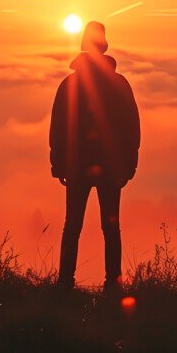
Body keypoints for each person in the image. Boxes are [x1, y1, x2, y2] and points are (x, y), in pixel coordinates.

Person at [50, 21, 140, 292]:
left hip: (77, 165)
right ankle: (113, 284)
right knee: (111, 227)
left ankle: (65, 283)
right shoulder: (120, 84)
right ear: (104, 46)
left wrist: (58, 163)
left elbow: (58, 127)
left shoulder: (70, 84)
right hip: (111, 167)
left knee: (72, 225)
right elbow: (131, 126)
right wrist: (129, 164)